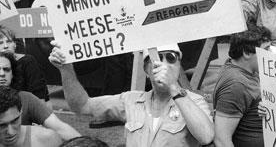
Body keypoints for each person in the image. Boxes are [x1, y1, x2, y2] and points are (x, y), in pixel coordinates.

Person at [49, 43, 214, 147]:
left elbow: (206, 136)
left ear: (179, 66)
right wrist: (66, 69)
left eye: (171, 58)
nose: (163, 64)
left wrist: (173, 88)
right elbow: (81, 105)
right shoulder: (130, 100)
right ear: (146, 70)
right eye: (156, 60)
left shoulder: (193, 101)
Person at [213, 24, 271, 147]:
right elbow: (221, 140)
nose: (270, 54)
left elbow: (248, 102)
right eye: (266, 50)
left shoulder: (243, 67)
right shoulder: (236, 84)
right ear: (247, 53)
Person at [0, 51, 80, 141]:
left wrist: (87, 143)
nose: (2, 73)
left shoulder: (26, 99)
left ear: (12, 74)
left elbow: (60, 128)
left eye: (6, 69)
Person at [0, 26, 49, 101]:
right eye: (1, 43)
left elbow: (40, 96)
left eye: (9, 41)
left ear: (15, 44)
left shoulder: (27, 62)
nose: (5, 46)